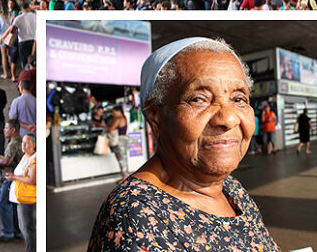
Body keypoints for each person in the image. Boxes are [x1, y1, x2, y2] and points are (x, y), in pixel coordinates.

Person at [88, 37, 279, 251]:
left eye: (238, 99)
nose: (228, 118)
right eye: (198, 99)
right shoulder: (135, 217)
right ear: (155, 116)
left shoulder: (231, 189)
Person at [0, 119, 23, 243]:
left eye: (6, 128)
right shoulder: (20, 141)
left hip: (10, 178)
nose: (4, 130)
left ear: (13, 130)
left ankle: (7, 232)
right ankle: (16, 231)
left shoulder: (12, 144)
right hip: (17, 178)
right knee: (14, 205)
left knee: (3, 203)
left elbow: (7, 162)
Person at [6, 133, 36, 252]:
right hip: (20, 198)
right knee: (24, 227)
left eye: (27, 143)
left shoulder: (34, 159)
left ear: (34, 145)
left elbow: (32, 180)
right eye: (22, 142)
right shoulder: (26, 156)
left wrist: (14, 177)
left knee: (27, 229)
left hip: (27, 199)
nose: (23, 145)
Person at [107, 106, 129, 178]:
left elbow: (110, 130)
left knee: (121, 159)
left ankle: (124, 177)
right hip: (124, 140)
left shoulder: (118, 119)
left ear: (118, 111)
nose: (113, 114)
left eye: (113, 112)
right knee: (124, 159)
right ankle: (125, 176)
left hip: (119, 141)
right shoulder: (124, 118)